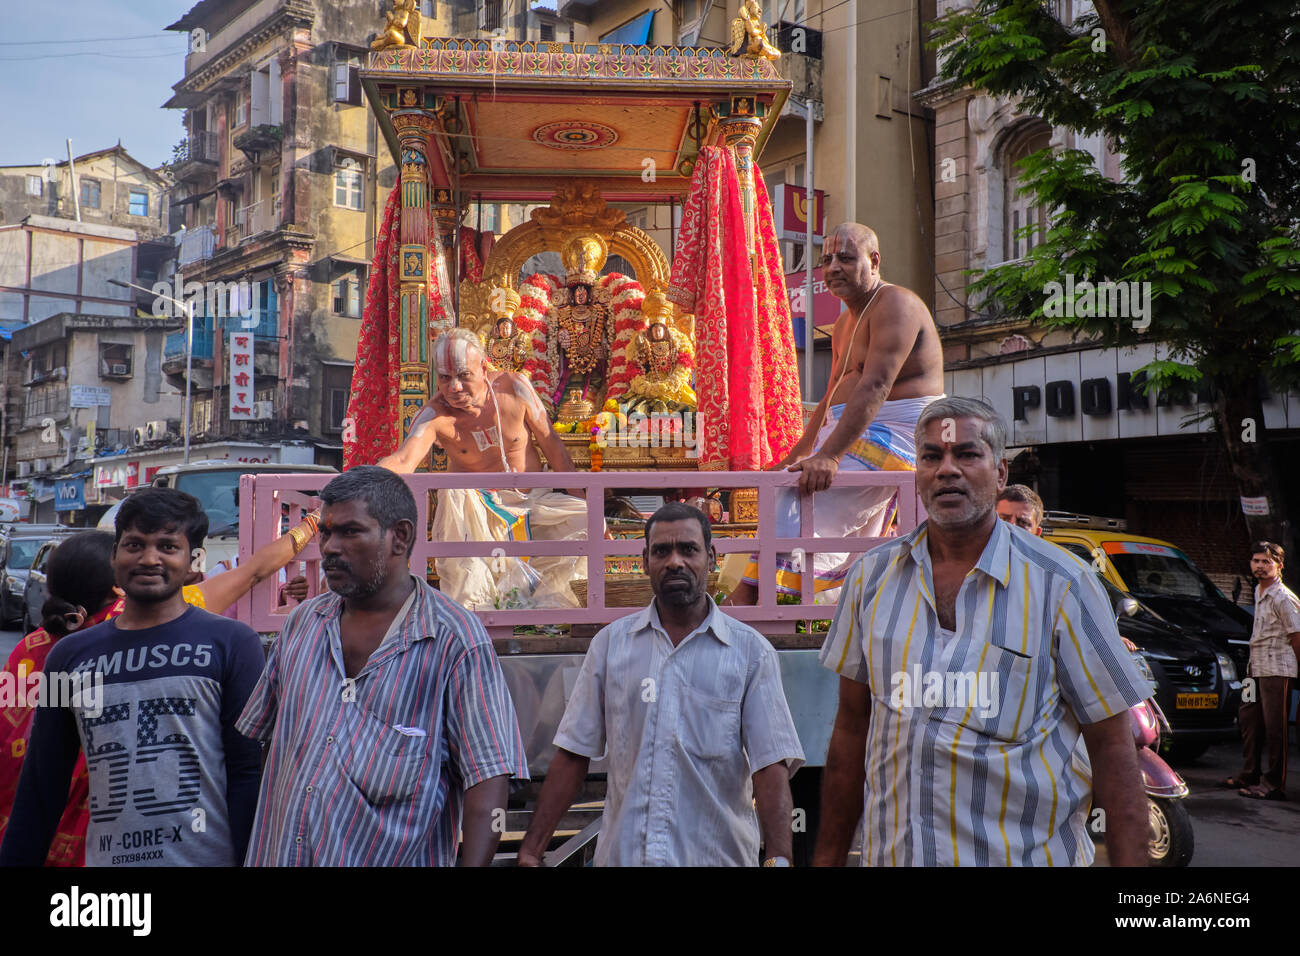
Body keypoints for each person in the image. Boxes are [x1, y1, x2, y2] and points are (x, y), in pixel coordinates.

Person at [813, 397, 1150, 866]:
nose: (947, 470)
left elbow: (1113, 750)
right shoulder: (870, 580)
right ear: (917, 473)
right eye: (932, 456)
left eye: (967, 454)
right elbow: (850, 731)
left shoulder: (1063, 585)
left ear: (1001, 473)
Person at [236, 466, 529, 866]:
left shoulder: (454, 640)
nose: (330, 547)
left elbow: (488, 779)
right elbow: (257, 748)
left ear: (400, 536)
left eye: (350, 532)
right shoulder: (303, 625)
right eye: (326, 532)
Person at [517, 503, 804, 867]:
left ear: (711, 558)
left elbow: (770, 766)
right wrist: (531, 850)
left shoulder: (750, 653)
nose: (674, 562)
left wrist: (779, 858)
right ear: (645, 561)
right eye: (661, 551)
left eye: (688, 549)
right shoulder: (610, 645)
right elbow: (574, 753)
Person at [0, 489, 265, 867]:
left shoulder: (231, 644)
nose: (149, 558)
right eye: (135, 544)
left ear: (192, 560)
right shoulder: (68, 657)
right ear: (115, 557)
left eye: (168, 546)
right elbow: (42, 785)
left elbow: (247, 773)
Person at [729, 223, 946, 604]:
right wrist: (799, 454)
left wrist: (829, 455)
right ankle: (776, 601)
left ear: (874, 261)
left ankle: (752, 602)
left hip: (896, 437)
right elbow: (831, 395)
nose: (832, 267)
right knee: (787, 483)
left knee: (796, 497)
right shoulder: (845, 320)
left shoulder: (897, 304)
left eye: (845, 258)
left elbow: (876, 385)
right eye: (826, 259)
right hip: (853, 435)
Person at [378, 327, 589, 610]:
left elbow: (557, 453)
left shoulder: (516, 389)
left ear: (484, 365)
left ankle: (550, 609)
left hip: (533, 504)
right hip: (477, 517)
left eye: (464, 376)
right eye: (444, 378)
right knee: (454, 493)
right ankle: (474, 612)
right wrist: (358, 483)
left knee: (588, 521)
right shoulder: (436, 415)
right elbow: (404, 461)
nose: (454, 388)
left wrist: (587, 505)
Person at [1224, 541, 1299, 800]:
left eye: (1266, 561)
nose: (1260, 566)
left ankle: (1273, 784)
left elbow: (1297, 635)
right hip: (1254, 668)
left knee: (1275, 726)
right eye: (1256, 560)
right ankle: (1250, 774)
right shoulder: (1258, 590)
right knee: (1248, 718)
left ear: (1279, 566)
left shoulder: (1284, 597)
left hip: (1277, 670)